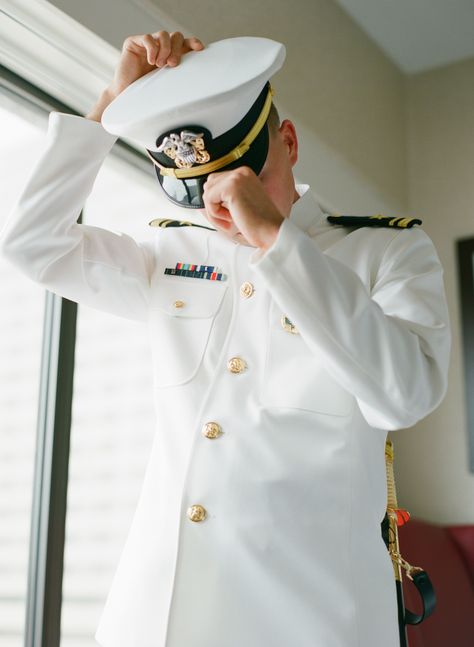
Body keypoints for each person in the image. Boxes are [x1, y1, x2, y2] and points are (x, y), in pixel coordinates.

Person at [0, 31, 450, 647]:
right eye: (200, 192)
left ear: (287, 143)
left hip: (313, 619)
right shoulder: (173, 253)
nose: (220, 212)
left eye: (240, 181)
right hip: (156, 616)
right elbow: (32, 245)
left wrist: (276, 241)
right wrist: (109, 104)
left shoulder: (386, 252)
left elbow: (406, 395)